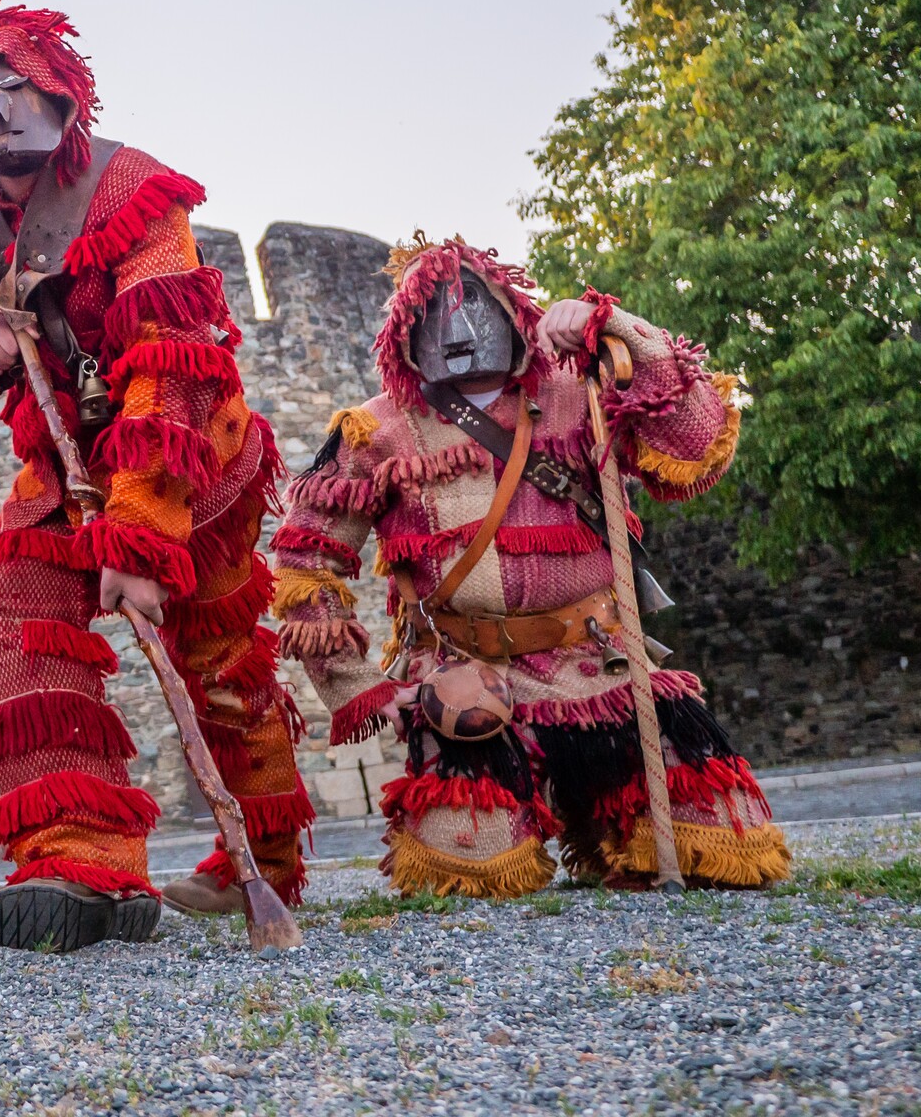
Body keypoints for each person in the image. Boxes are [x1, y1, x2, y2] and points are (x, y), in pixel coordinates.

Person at [0, 0, 305, 952]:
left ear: (60, 95)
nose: (1, 109)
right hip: (60, 469)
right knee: (19, 600)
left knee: (217, 661)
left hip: (190, 462)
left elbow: (173, 361)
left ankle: (264, 854)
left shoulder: (130, 189)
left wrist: (138, 535)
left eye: (18, 88)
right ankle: (81, 855)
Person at [269, 234, 789, 894]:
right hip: (467, 685)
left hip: (598, 668)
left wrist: (613, 323)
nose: (458, 328)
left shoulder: (586, 386)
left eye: (477, 308)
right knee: (471, 868)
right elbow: (304, 560)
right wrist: (362, 690)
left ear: (517, 315)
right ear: (406, 335)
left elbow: (697, 436)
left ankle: (605, 814)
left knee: (719, 844)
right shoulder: (374, 431)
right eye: (436, 314)